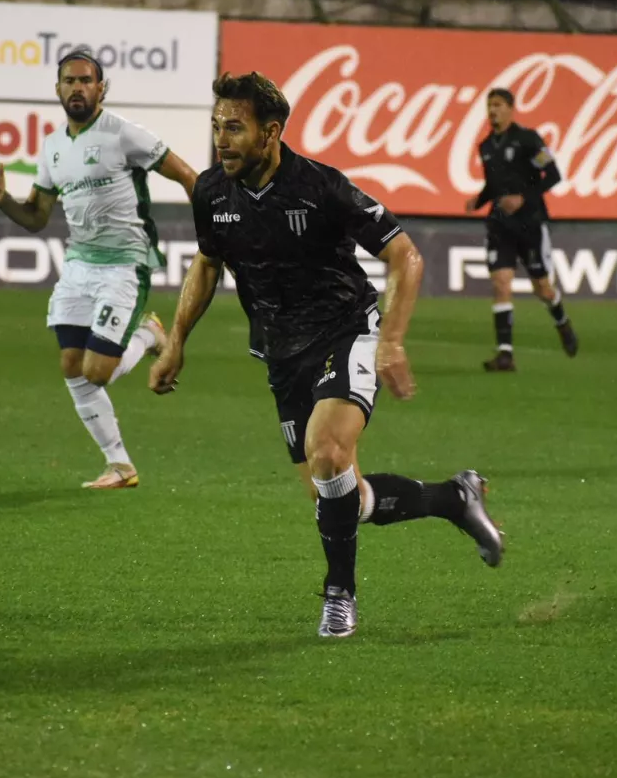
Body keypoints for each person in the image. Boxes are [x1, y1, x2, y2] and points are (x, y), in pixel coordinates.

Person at [149, 71, 503, 639]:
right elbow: (207, 264)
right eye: (216, 126)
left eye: (234, 128)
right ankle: (452, 498)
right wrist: (177, 344)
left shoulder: (321, 187)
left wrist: (390, 341)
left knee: (329, 452)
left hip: (346, 332)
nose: (220, 139)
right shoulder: (212, 192)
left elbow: (406, 256)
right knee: (338, 495)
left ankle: (340, 595)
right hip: (280, 354)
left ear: (271, 133)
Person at [0, 48, 199, 489]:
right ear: (57, 89)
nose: (76, 87)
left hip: (125, 264)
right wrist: (2, 199)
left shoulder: (123, 134)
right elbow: (37, 217)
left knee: (98, 372)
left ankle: (149, 334)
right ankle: (120, 466)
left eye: (85, 80)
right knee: (71, 365)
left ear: (101, 88)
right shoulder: (53, 147)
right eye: (68, 81)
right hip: (79, 265)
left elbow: (189, 176)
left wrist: (215, 232)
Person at [466, 87, 577, 372]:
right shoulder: (486, 147)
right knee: (501, 283)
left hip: (530, 223)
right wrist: (478, 200)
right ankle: (505, 354)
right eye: (490, 105)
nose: (493, 111)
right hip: (500, 224)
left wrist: (523, 197)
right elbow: (493, 185)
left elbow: (553, 175)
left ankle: (561, 320)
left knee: (542, 288)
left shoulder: (528, 140)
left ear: (511, 108)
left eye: (499, 105)